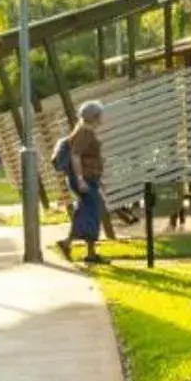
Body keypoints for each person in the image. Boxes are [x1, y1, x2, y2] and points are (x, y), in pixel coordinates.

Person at [50, 100, 108, 263]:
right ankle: (70, 244)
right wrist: (81, 180)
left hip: (89, 178)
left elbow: (88, 157)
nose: (103, 117)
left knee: (89, 211)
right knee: (90, 212)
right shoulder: (84, 133)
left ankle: (87, 252)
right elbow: (75, 155)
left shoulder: (85, 131)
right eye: (101, 114)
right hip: (84, 179)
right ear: (95, 116)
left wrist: (98, 179)